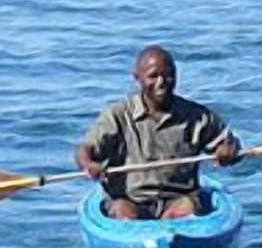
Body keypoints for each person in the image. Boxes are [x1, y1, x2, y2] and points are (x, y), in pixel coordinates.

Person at [75, 45, 240, 220]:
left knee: (187, 210)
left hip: (178, 198)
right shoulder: (118, 115)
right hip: (130, 199)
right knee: (124, 213)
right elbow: (85, 149)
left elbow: (229, 144)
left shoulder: (197, 116)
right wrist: (88, 164)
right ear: (137, 78)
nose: (161, 82)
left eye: (168, 75)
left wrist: (227, 150)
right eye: (153, 76)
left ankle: (181, 240)